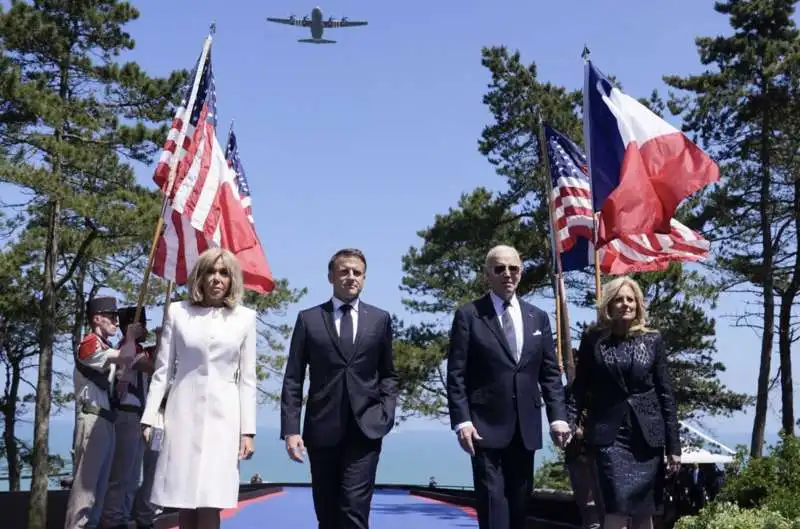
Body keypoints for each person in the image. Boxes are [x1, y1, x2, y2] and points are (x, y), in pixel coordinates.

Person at [446, 245, 570, 529]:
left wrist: (558, 417)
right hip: (483, 428)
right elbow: (457, 374)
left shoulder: (537, 317)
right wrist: (462, 421)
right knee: (492, 502)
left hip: (525, 429)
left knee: (519, 505)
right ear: (487, 274)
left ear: (521, 273)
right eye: (499, 268)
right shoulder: (469, 315)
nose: (507, 274)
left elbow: (549, 373)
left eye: (513, 268)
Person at [280, 248, 399, 529]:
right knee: (327, 512)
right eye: (344, 271)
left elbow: (389, 375)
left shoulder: (379, 320)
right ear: (331, 276)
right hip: (322, 430)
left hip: (366, 429)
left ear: (364, 278)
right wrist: (291, 429)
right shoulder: (308, 319)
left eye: (357, 272)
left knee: (354, 509)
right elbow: (293, 377)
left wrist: (386, 412)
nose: (350, 277)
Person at [140, 248, 258, 529]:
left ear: (232, 280)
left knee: (211, 497)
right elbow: (162, 370)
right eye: (210, 272)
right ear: (200, 277)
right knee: (183, 497)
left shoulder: (245, 318)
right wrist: (148, 417)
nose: (217, 279)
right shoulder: (178, 312)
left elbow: (248, 379)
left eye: (224, 273)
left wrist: (248, 431)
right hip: (182, 413)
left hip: (224, 418)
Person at [569, 276, 682, 529]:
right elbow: (580, 388)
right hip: (609, 438)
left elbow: (665, 393)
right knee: (616, 510)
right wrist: (569, 422)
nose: (625, 304)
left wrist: (674, 446)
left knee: (645, 513)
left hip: (647, 439)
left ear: (638, 304)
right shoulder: (593, 340)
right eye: (619, 299)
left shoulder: (653, 340)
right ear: (608, 305)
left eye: (630, 299)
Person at [64, 296, 139, 529]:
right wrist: (131, 337)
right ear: (97, 318)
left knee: (99, 491)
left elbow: (116, 384)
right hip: (92, 418)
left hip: (106, 420)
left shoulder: (104, 347)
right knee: (84, 492)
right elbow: (124, 354)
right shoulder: (89, 343)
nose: (116, 321)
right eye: (111, 316)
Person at [101, 307, 155, 529]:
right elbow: (151, 365)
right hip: (125, 413)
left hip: (137, 416)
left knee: (132, 477)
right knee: (122, 475)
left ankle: (122, 517)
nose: (145, 327)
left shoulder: (139, 349)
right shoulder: (125, 349)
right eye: (140, 323)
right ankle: (113, 519)